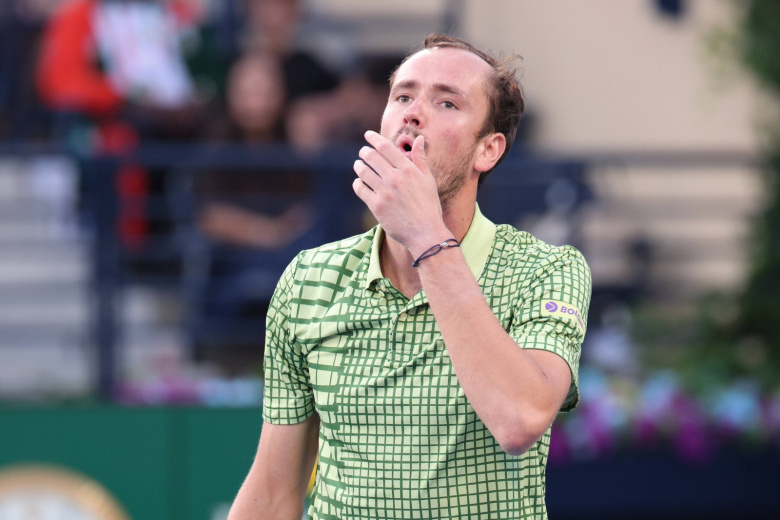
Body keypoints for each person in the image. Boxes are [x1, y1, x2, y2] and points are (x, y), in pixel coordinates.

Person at [228, 34, 592, 520]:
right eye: (403, 96)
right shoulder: (308, 278)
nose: (414, 112)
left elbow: (520, 420)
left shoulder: (544, 269)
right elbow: (274, 491)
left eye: (447, 102)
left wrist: (427, 239)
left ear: (488, 150)